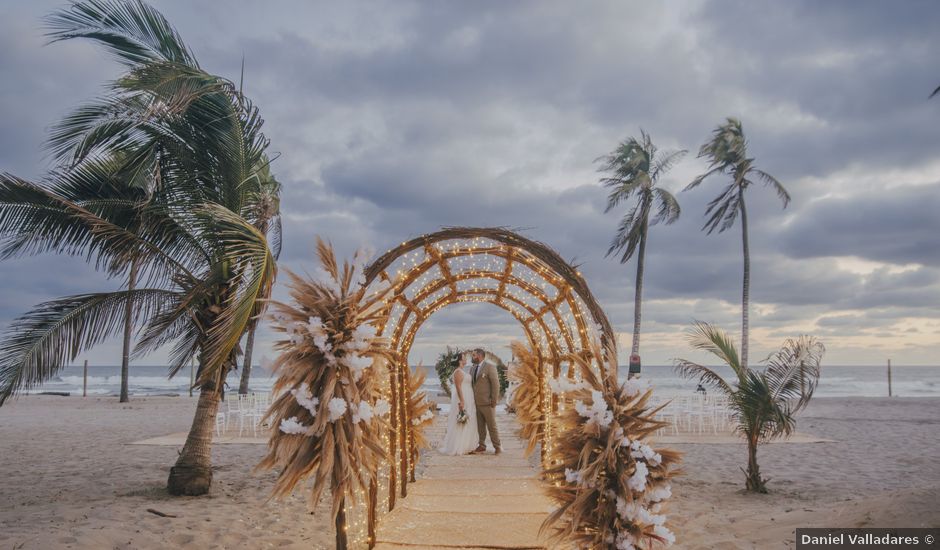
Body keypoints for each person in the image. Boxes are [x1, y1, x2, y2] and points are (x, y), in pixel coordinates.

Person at [438, 352, 479, 455]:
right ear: (460, 360)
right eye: (464, 358)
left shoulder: (462, 371)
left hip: (469, 397)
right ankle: (460, 446)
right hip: (463, 397)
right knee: (462, 421)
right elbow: (458, 387)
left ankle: (468, 445)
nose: (466, 359)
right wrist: (462, 400)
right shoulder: (458, 372)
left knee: (469, 420)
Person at [469, 348, 501, 455]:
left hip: (487, 403)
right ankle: (482, 445)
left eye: (473, 355)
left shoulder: (490, 367)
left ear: (480, 356)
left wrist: (494, 400)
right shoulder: (472, 368)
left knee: (492, 426)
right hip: (476, 403)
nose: (472, 357)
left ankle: (497, 446)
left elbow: (495, 384)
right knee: (480, 426)